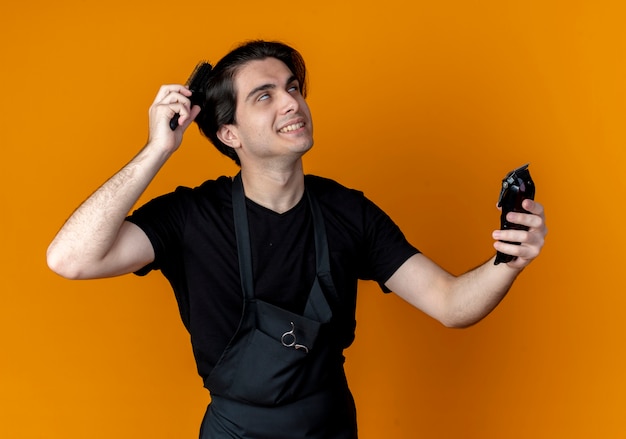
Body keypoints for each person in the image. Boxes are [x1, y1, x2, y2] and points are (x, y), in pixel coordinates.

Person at [47, 40, 547, 438]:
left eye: (292, 88)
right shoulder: (191, 217)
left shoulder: (348, 212)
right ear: (230, 135)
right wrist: (158, 149)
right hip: (235, 433)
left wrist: (509, 260)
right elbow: (69, 259)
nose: (291, 102)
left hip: (328, 428)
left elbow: (451, 304)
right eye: (264, 95)